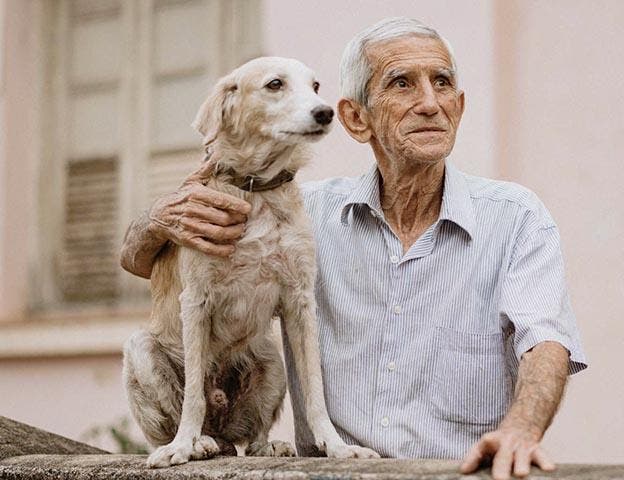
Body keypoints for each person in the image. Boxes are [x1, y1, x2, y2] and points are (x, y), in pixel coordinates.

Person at [120, 17, 587, 480]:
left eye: (442, 83)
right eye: (402, 83)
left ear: (459, 107)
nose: (429, 103)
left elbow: (546, 340)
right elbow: (151, 266)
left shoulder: (516, 216)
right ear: (355, 119)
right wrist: (156, 222)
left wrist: (522, 428)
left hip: (457, 474)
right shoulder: (302, 214)